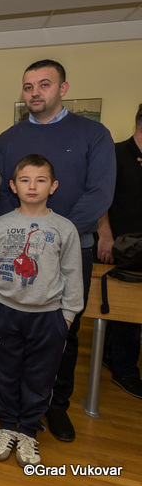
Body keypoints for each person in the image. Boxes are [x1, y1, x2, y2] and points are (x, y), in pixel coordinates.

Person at [0, 59, 115, 441]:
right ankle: (10, 401)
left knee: (63, 331)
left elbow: (100, 192)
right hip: (17, 251)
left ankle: (55, 405)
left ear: (63, 88)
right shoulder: (9, 138)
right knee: (11, 330)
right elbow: (0, 192)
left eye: (44, 84)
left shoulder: (94, 133)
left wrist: (57, 235)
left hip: (72, 249)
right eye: (28, 86)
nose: (35, 93)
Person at [0, 154, 83, 467]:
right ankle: (7, 425)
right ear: (13, 186)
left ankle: (28, 431)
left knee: (40, 378)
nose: (32, 186)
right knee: (5, 374)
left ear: (53, 186)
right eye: (25, 180)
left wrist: (67, 316)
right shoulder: (0, 224)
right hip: (3, 312)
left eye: (40, 180)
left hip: (48, 316)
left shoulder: (64, 228)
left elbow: (73, 274)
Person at [96, 103, 142, 399]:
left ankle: (112, 357)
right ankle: (125, 371)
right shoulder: (114, 153)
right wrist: (105, 235)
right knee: (126, 307)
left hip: (138, 247)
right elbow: (101, 198)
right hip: (118, 244)